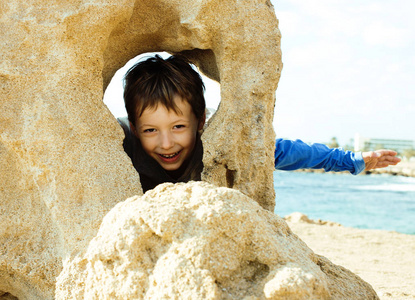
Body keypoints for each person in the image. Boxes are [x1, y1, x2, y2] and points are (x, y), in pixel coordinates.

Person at [118, 54, 401, 192]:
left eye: (178, 127)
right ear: (134, 126)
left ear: (201, 120)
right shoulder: (119, 141)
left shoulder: (219, 137)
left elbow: (282, 151)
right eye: (150, 130)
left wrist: (351, 160)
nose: (166, 143)